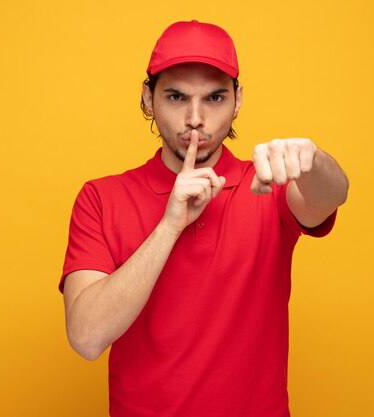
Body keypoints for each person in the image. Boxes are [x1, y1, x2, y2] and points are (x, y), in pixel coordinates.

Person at [60, 20, 349, 417]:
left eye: (214, 99)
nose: (195, 119)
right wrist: (169, 225)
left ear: (237, 99)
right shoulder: (100, 198)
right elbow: (86, 337)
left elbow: (330, 196)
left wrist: (312, 160)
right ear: (148, 97)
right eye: (177, 97)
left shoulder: (267, 185)